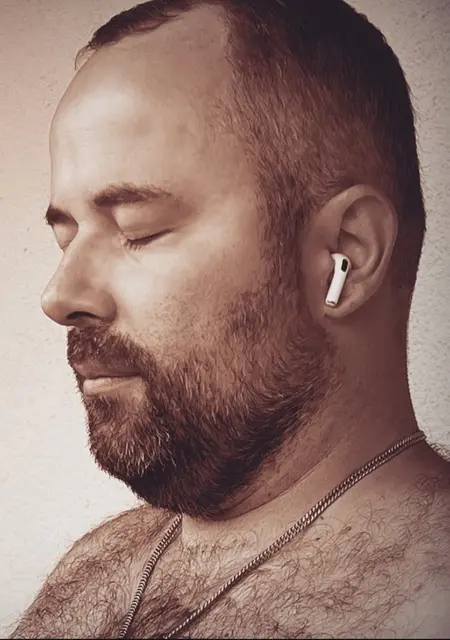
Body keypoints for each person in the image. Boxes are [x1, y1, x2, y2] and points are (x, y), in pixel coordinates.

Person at [10, 0, 450, 638]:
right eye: (66, 237)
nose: (58, 296)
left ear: (347, 255)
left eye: (138, 229)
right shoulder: (94, 568)